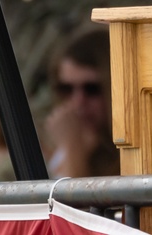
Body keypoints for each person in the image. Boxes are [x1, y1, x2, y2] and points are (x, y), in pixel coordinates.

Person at [44, 25, 118, 178]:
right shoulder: (69, 144)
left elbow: (72, 201)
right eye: (67, 89)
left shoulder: (133, 155)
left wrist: (73, 148)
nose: (78, 102)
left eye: (92, 89)